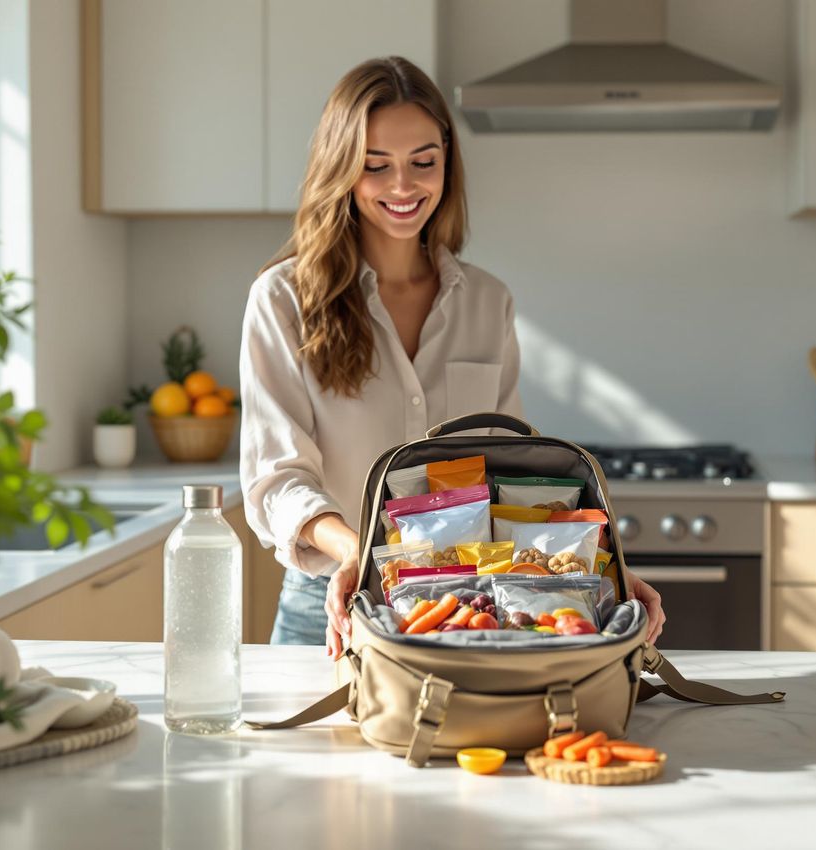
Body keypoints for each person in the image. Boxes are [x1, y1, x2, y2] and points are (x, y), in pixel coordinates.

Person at [239, 57, 666, 659]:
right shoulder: (283, 300)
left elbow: (508, 470)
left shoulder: (487, 301)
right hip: (331, 603)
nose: (403, 186)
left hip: (473, 604)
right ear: (341, 169)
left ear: (447, 162)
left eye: (423, 162)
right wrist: (362, 555)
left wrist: (601, 572)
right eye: (375, 165)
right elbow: (277, 479)